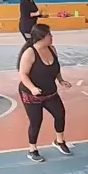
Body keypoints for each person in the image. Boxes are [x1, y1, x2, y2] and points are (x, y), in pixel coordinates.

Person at [17, 24, 72, 162]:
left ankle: (59, 141)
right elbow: (23, 74)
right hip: (31, 95)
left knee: (60, 114)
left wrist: (61, 80)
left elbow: (56, 68)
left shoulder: (52, 49)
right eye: (49, 35)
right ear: (41, 37)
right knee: (36, 121)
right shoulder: (30, 53)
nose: (52, 37)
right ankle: (32, 149)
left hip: (50, 92)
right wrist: (32, 88)